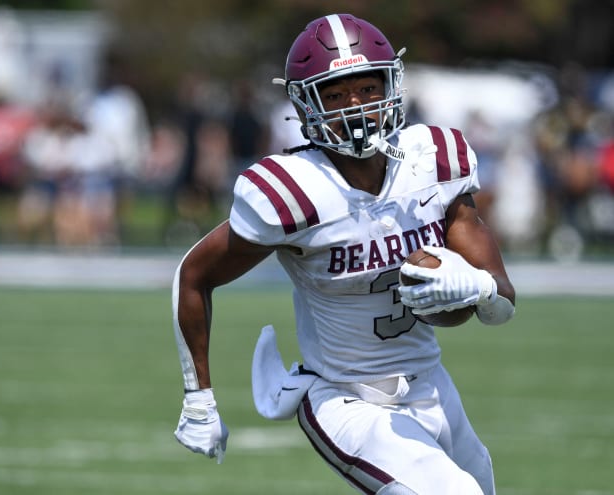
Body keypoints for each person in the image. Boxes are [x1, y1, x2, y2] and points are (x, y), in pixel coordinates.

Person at [171, 13, 515, 495]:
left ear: (392, 87)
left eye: (367, 89)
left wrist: (477, 287)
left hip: (431, 383)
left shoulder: (433, 160)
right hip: (344, 399)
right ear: (306, 104)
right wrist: (198, 396)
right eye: (334, 94)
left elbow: (501, 304)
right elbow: (195, 275)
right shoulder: (293, 190)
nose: (354, 106)